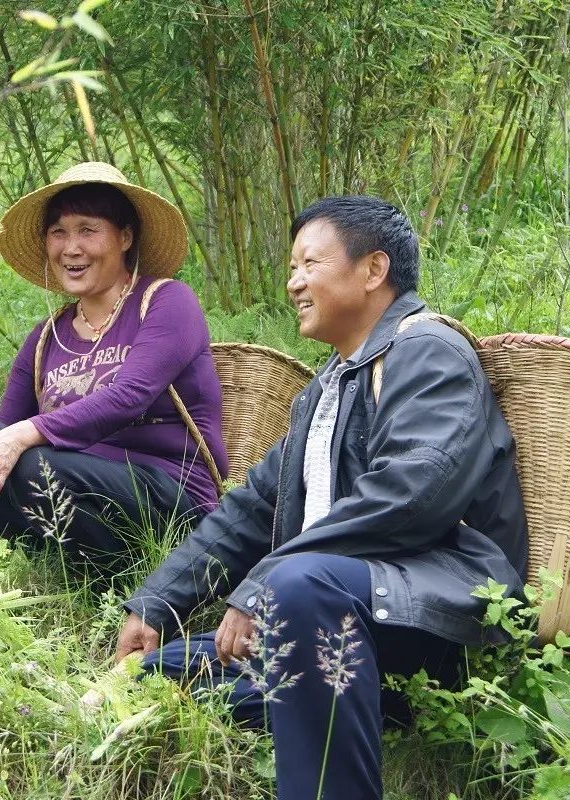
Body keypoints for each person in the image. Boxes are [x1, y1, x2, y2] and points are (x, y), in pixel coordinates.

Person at [114, 196, 529, 799]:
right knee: (153, 672)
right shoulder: (329, 388)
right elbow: (251, 509)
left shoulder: (427, 352)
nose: (294, 282)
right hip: (338, 606)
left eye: (310, 263)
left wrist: (268, 581)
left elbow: (411, 492)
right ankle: (363, 705)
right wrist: (155, 604)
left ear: (373, 270)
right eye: (291, 267)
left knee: (298, 586)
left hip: (433, 605)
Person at [0, 162, 228, 576]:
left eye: (87, 229)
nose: (70, 247)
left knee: (30, 460)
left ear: (125, 237)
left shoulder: (168, 302)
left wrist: (25, 436)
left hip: (167, 498)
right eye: (58, 232)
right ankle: (75, 561)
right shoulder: (47, 337)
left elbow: (129, 397)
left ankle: (128, 564)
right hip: (65, 489)